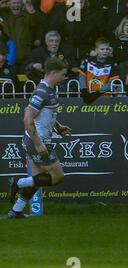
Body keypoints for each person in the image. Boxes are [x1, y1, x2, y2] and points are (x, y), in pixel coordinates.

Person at [6, 58, 72, 219]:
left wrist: (58, 126)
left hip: (37, 140)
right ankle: (17, 182)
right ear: (53, 73)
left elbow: (43, 114)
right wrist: (38, 143)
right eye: (63, 75)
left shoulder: (48, 90)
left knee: (36, 181)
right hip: (38, 141)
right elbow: (27, 118)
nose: (64, 78)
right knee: (57, 177)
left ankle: (16, 211)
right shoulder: (42, 91)